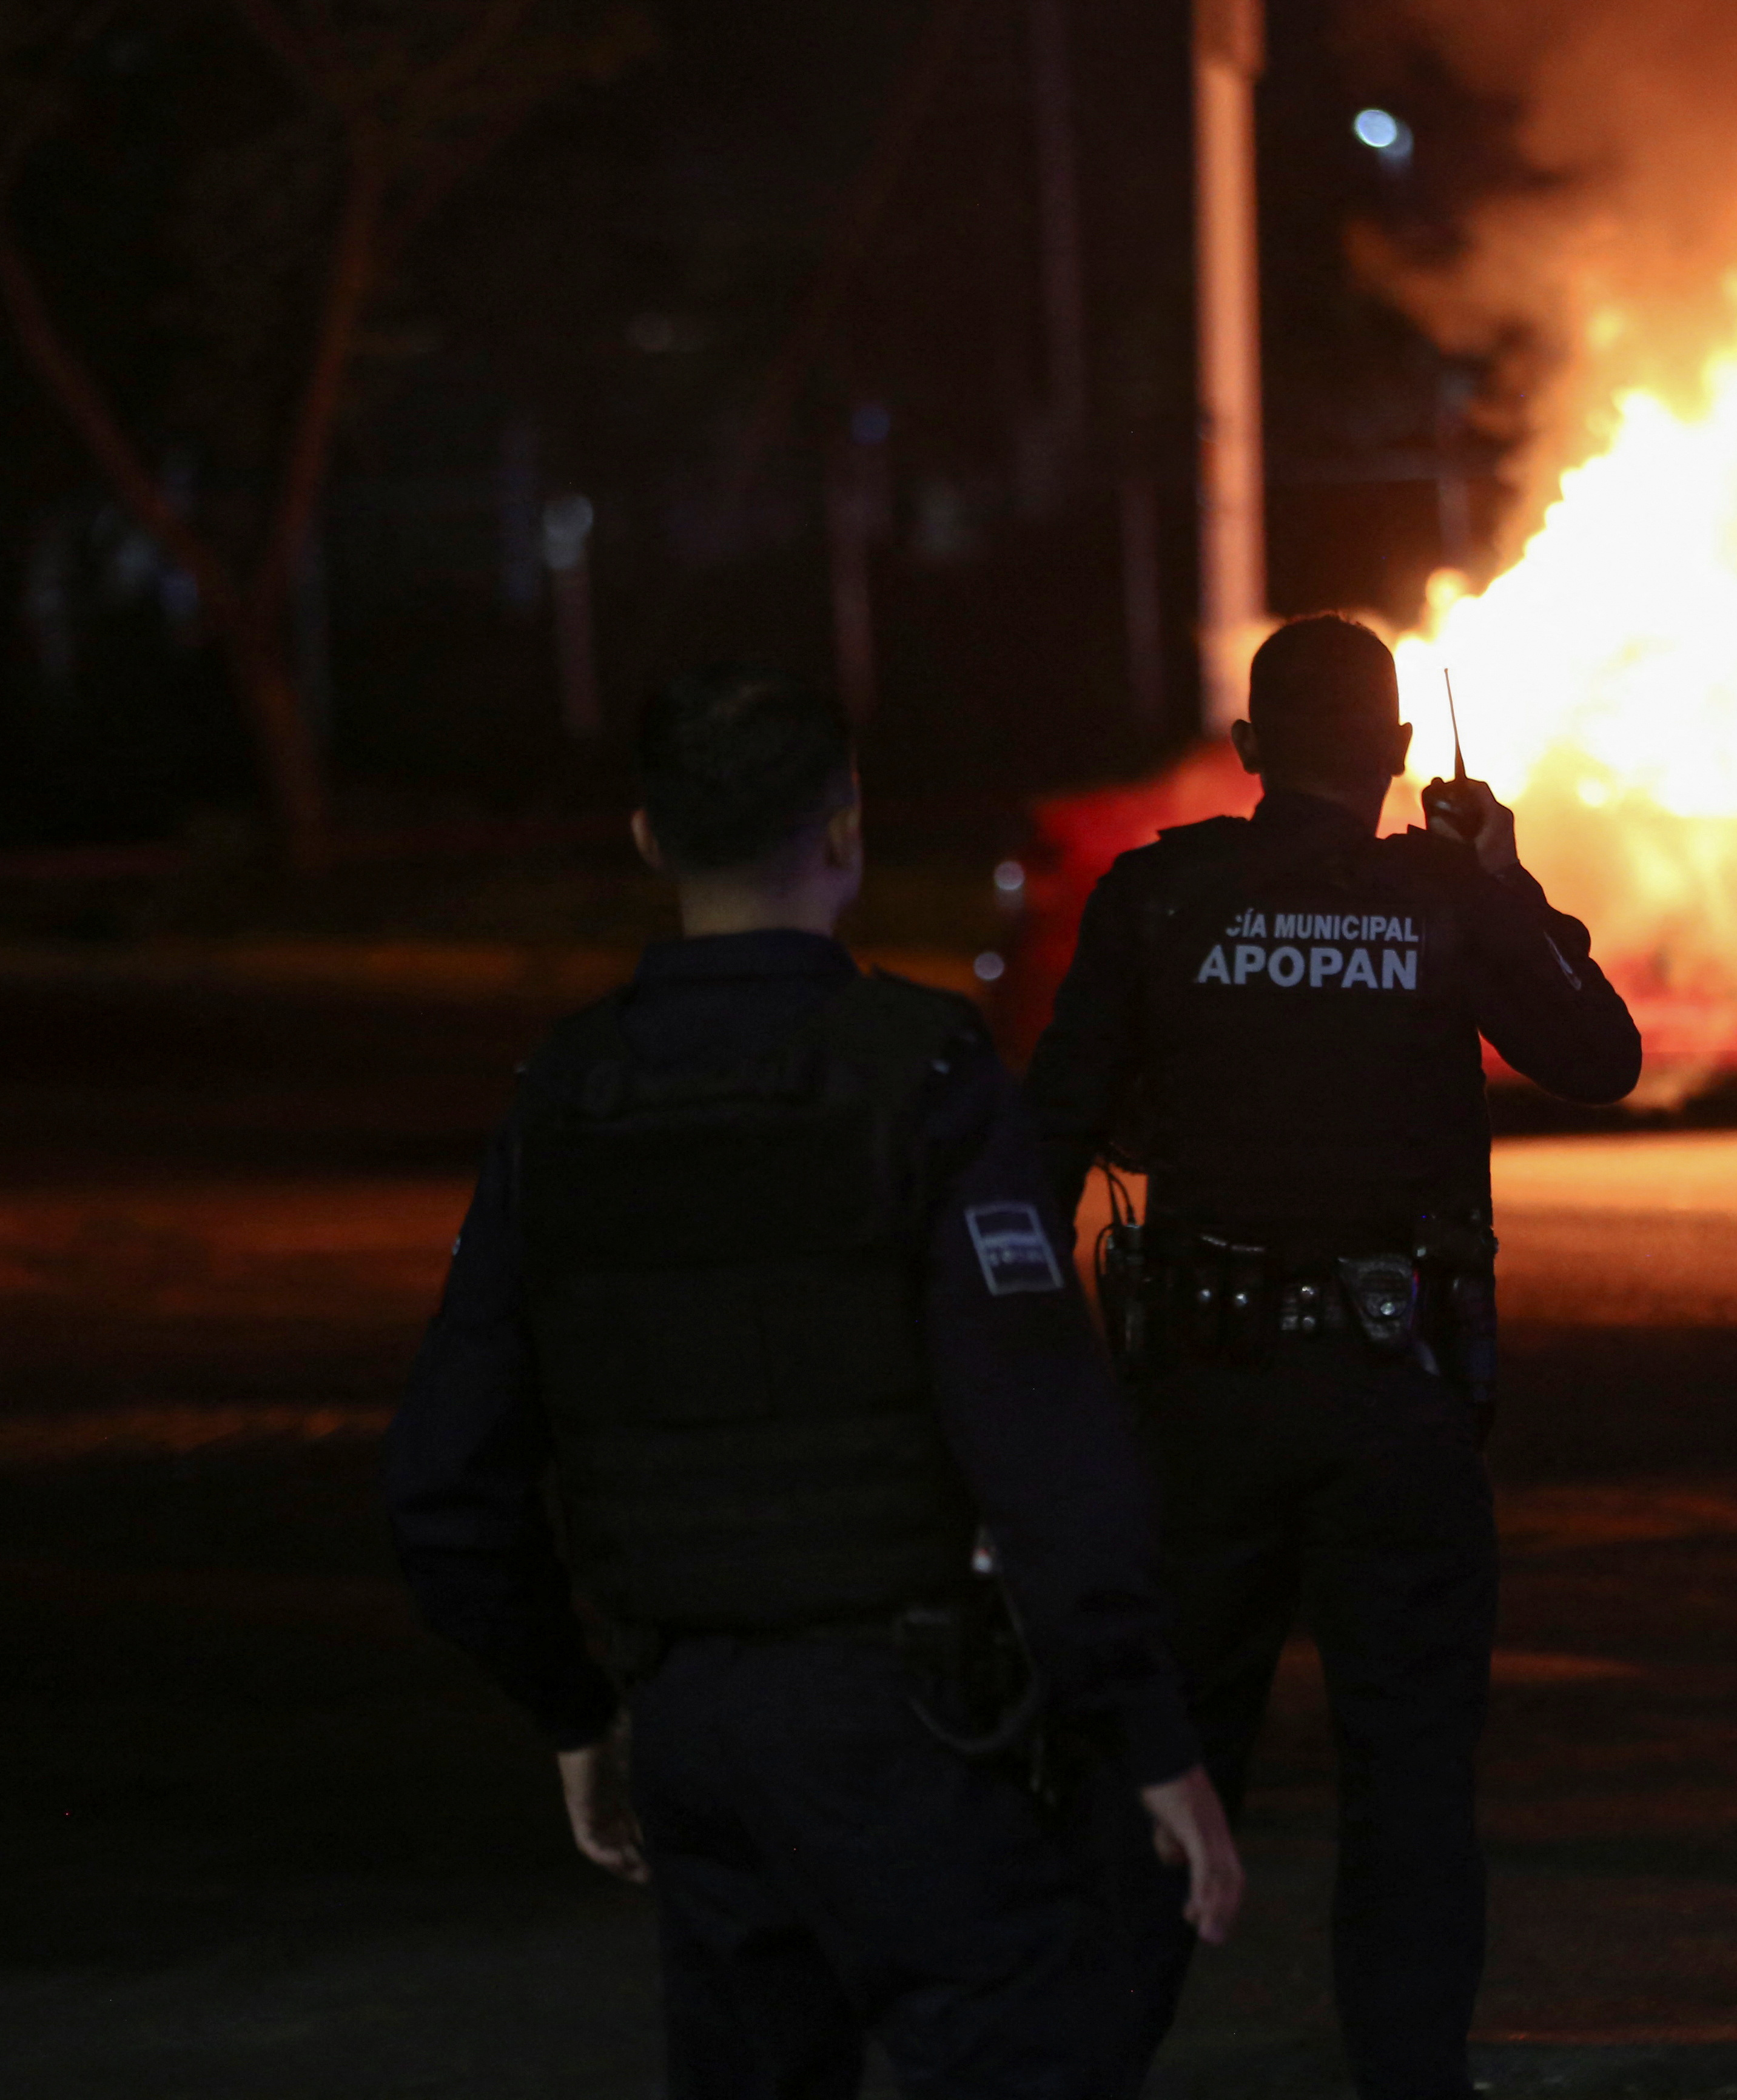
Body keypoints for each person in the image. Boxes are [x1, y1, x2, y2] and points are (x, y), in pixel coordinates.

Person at [385, 664, 1241, 2099]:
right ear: (843, 830)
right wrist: (1148, 1731)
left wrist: (577, 1708)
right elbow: (1040, 1441)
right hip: (902, 1728)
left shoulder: (565, 1095)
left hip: (686, 1730)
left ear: (649, 839)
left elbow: (440, 1489)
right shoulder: (918, 1074)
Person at [1022, 614, 1640, 2099]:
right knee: (1410, 1782)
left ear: (1245, 755)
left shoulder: (1157, 898)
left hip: (1199, 1412)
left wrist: (1027, 1418)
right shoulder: (1444, 899)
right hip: (1393, 1409)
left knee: (1160, 1767)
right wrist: (1506, 876)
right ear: (1399, 757)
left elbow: (1040, 1147)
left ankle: (1088, 2067)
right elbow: (1601, 1053)